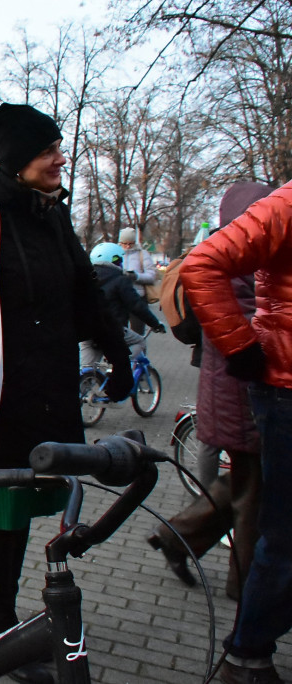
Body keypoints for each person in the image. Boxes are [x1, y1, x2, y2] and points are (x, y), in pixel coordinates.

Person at [0, 104, 132, 684]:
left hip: (48, 389)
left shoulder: (51, 213)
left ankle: (3, 623)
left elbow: (83, 289)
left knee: (26, 503)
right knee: (1, 506)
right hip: (2, 392)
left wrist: (117, 350)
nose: (61, 157)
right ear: (19, 157)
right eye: (49, 148)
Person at [182, 181, 292, 684]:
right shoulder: (281, 209)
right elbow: (201, 269)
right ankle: (247, 650)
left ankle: (179, 537)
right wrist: (243, 349)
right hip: (269, 391)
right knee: (264, 512)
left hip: (236, 391)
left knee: (249, 496)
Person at [147, 182, 271, 602]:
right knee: (255, 499)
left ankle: (175, 535)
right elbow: (258, 321)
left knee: (245, 482)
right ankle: (249, 598)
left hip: (236, 389)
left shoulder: (236, 255)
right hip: (247, 392)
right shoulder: (241, 262)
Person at [79, 242, 166, 367]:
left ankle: (85, 382)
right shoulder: (121, 280)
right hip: (112, 329)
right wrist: (155, 324)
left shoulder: (85, 278)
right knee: (140, 342)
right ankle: (118, 364)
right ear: (115, 261)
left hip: (86, 330)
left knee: (87, 370)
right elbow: (136, 306)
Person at [118, 226, 157, 334]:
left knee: (138, 334)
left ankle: (140, 351)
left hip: (138, 298)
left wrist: (136, 276)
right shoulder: (115, 253)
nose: (127, 246)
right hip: (119, 298)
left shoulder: (142, 254)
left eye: (130, 243)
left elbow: (152, 275)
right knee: (120, 333)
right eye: (124, 243)